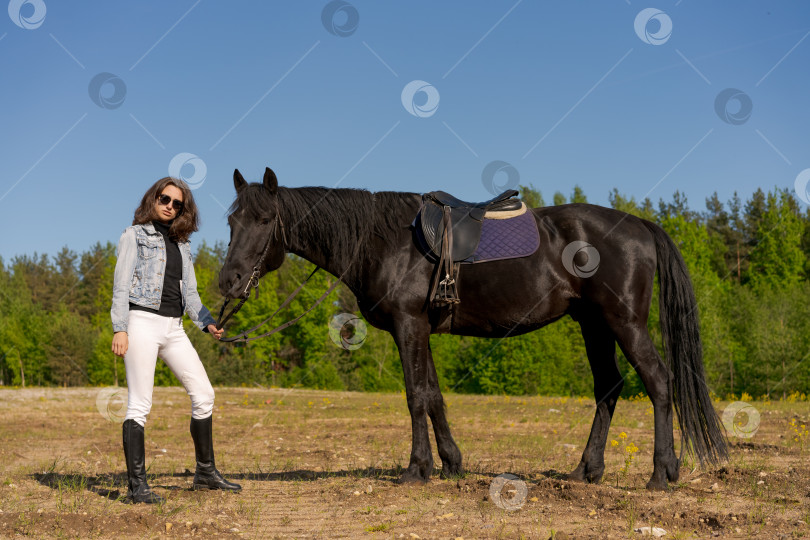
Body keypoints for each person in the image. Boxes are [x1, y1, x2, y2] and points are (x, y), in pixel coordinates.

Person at [110, 177, 240, 504]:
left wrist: (208, 322)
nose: (169, 205)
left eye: (177, 203)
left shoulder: (183, 245)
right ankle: (137, 487)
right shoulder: (133, 236)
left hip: (174, 327)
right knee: (140, 404)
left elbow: (191, 295)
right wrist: (120, 327)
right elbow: (121, 286)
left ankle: (205, 473)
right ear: (153, 199)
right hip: (141, 322)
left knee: (204, 394)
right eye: (164, 199)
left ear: (184, 209)